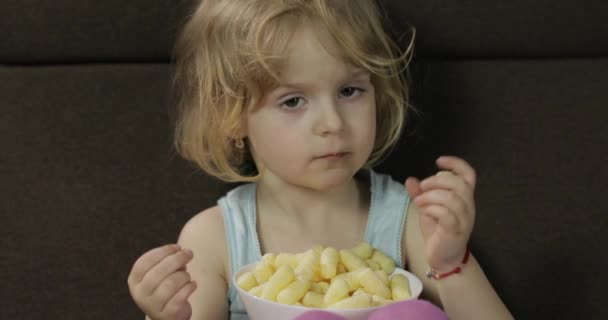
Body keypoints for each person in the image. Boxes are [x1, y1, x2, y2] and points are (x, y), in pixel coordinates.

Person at [127, 0, 514, 319]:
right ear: (232, 118)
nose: (332, 123)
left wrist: (451, 263)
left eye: (349, 90)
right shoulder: (215, 239)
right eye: (292, 101)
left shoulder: (408, 218)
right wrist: (163, 315)